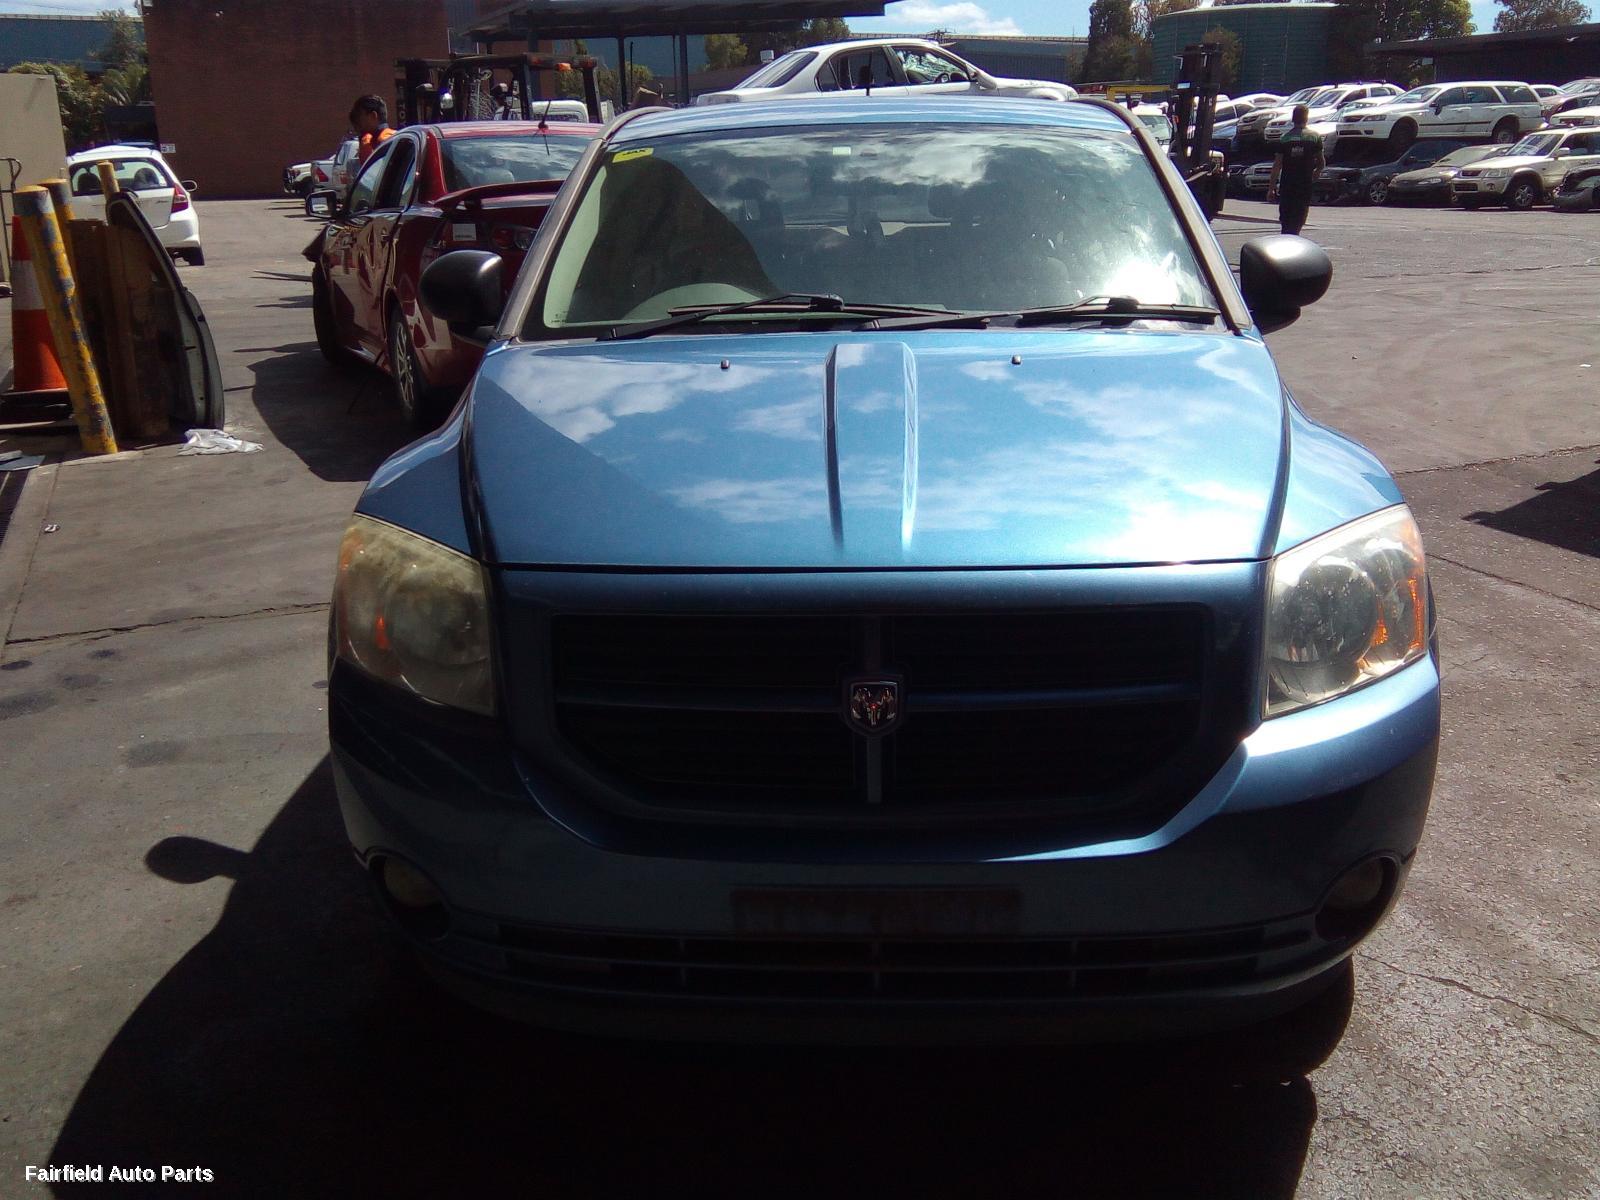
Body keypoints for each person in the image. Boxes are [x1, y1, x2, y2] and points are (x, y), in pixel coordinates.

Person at [1266, 104, 1323, 236]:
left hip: (1287, 184)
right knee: (1299, 216)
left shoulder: (1285, 138)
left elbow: (1277, 165)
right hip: (1304, 184)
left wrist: (1271, 188)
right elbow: (1321, 161)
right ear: (1306, 118)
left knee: (1285, 219)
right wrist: (1317, 172)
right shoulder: (1314, 137)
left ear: (1293, 118)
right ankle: (1294, 238)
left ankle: (1286, 238)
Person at [349, 95, 394, 165]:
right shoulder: (372, 140)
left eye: (359, 116)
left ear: (373, 116)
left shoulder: (385, 141)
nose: (357, 121)